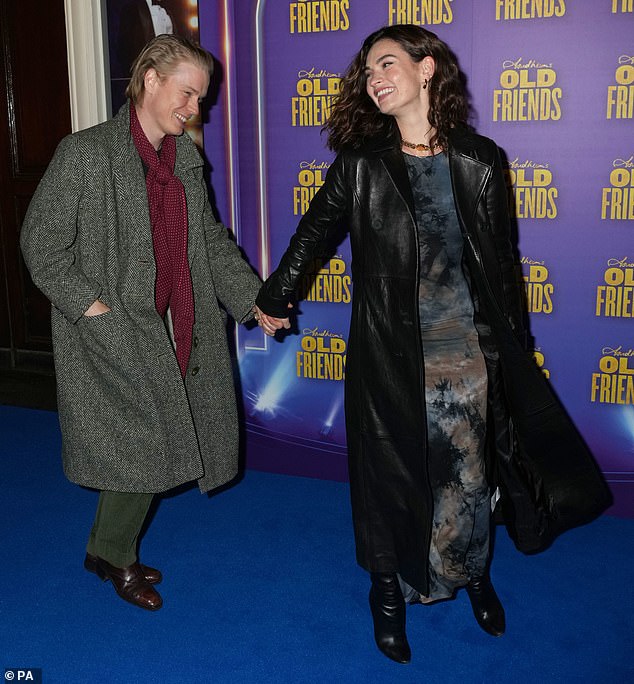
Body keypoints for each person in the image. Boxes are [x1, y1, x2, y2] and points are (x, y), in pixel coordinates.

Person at [254, 25, 610, 663]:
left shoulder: (480, 160)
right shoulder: (361, 165)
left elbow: (503, 268)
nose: (374, 79)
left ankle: (473, 573)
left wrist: (513, 353)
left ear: (426, 70)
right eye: (367, 72)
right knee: (390, 475)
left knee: (469, 478)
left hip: (466, 353)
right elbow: (311, 237)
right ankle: (387, 591)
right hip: (389, 354)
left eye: (387, 64)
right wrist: (275, 299)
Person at [21, 35, 262, 612]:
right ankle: (115, 557)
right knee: (143, 445)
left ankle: (106, 547)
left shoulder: (184, 160)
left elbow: (209, 244)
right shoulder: (85, 154)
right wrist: (91, 309)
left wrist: (253, 301)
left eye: (200, 99)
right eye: (187, 94)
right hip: (113, 333)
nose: (194, 109)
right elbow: (41, 244)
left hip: (176, 322)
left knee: (146, 442)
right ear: (150, 80)